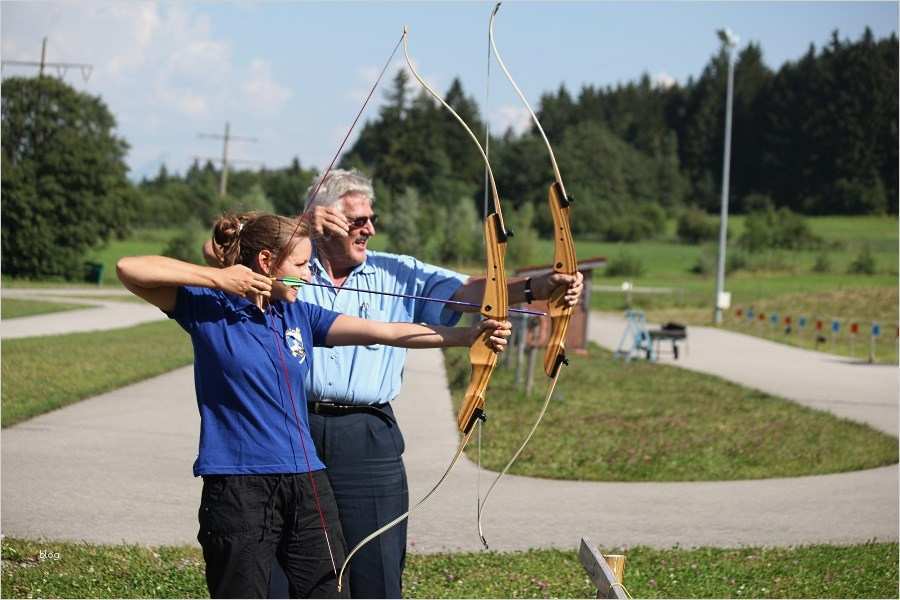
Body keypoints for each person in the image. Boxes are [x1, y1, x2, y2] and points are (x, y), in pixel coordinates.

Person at [118, 212, 510, 599]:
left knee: (329, 589)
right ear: (266, 261)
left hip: (306, 480)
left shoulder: (297, 313)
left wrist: (468, 336)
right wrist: (217, 278)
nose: (309, 275)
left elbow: (386, 332)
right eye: (302, 265)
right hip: (239, 484)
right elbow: (129, 268)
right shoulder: (207, 308)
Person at [238, 169, 582, 599]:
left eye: (372, 219)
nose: (369, 229)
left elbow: (471, 292)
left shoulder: (397, 271)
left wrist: (539, 287)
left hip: (367, 435)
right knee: (287, 566)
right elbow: (224, 255)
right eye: (357, 220)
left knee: (376, 568)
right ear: (324, 219)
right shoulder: (289, 269)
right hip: (289, 428)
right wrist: (299, 226)